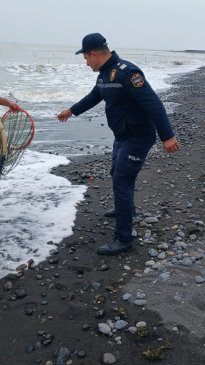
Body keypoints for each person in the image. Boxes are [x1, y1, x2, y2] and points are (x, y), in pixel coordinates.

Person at [57, 33, 179, 255]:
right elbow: (95, 96)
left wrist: (167, 136)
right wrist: (71, 110)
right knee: (117, 173)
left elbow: (153, 104)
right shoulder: (104, 74)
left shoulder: (127, 73)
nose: (86, 63)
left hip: (138, 136)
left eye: (85, 58)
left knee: (122, 179)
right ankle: (127, 209)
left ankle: (123, 239)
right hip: (122, 136)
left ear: (94, 54)